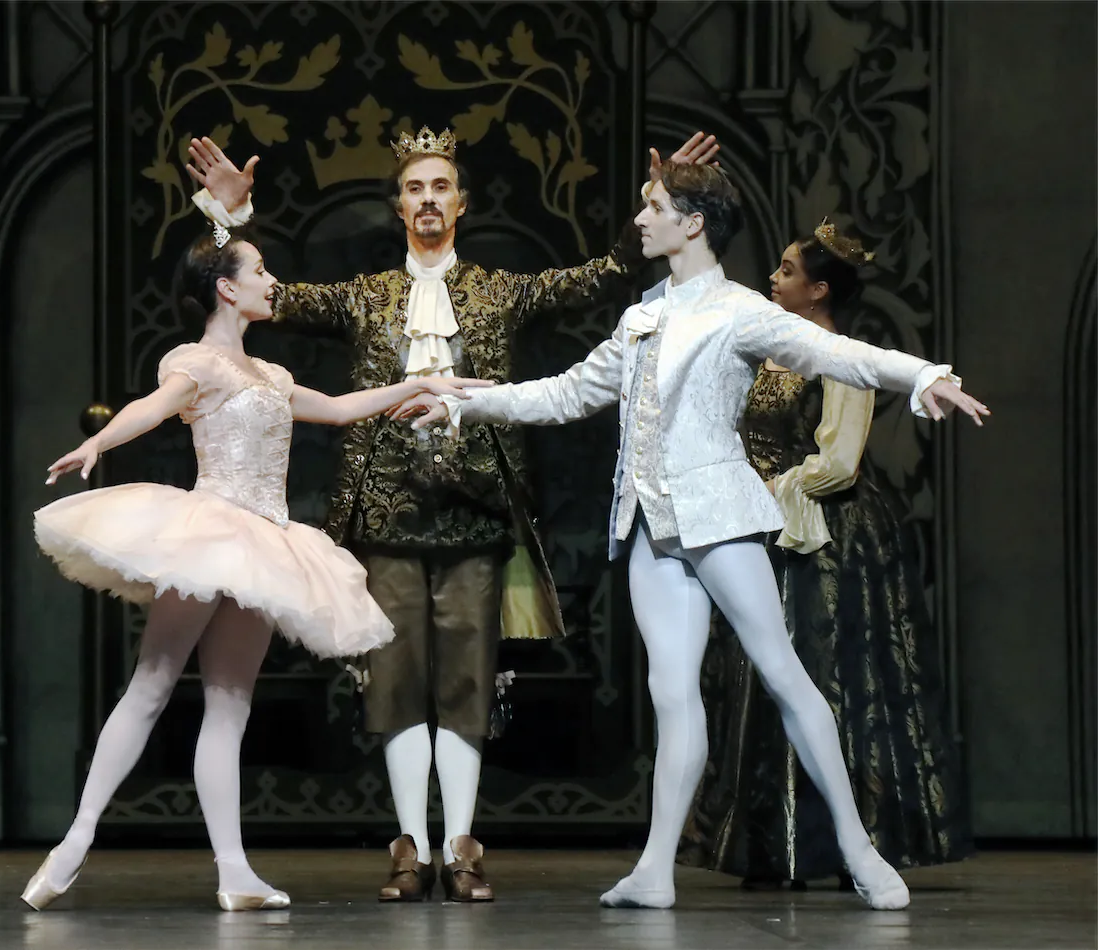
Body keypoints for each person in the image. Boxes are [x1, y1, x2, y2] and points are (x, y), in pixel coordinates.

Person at [396, 162, 989, 910]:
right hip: (650, 525)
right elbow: (572, 390)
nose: (640, 221)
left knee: (783, 672)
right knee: (672, 695)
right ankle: (655, 869)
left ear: (693, 221)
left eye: (653, 207)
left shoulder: (740, 311)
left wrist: (922, 374)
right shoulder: (643, 311)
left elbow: (839, 354)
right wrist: (468, 405)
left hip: (719, 516)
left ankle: (858, 846)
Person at [183, 127, 720, 901]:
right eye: (414, 188)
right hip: (385, 512)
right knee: (395, 681)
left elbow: (601, 275)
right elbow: (258, 295)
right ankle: (410, 847)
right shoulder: (366, 296)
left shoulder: (501, 290)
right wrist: (228, 223)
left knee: (468, 681)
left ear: (461, 204)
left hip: (476, 512)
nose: (428, 199)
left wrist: (663, 194)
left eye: (441, 187)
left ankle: (462, 844)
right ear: (398, 205)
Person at [20, 225, 490, 912]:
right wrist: (98, 439)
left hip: (265, 542)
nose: (273, 282)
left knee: (231, 705)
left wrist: (418, 382)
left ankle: (234, 871)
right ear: (226, 287)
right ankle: (74, 842)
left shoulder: (271, 375)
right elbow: (153, 409)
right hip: (211, 530)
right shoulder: (198, 363)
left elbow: (333, 410)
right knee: (151, 683)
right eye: (261, 271)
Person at [677, 221, 974, 887]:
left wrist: (770, 489)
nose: (773, 279)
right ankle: (772, 845)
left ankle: (848, 843)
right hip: (762, 527)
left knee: (833, 677)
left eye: (786, 271)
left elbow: (837, 462)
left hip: (826, 534)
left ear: (816, 290)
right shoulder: (762, 352)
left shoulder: (839, 356)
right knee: (760, 676)